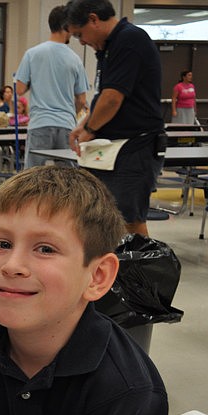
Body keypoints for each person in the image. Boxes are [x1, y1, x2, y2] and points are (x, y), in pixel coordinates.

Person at [0, 166, 168, 415]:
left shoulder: (128, 393)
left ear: (97, 277)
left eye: (45, 249)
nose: (12, 266)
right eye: (3, 244)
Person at [66, 0, 165, 237]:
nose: (81, 42)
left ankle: (139, 262)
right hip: (115, 147)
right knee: (103, 217)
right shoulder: (108, 47)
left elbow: (112, 99)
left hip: (135, 145)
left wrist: (90, 129)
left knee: (128, 220)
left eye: (80, 34)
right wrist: (83, 124)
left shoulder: (130, 39)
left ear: (93, 19)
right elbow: (103, 95)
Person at [15, 5, 90, 168]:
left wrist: (36, 79)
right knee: (69, 175)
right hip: (67, 125)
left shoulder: (32, 54)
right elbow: (82, 100)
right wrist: (71, 113)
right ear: (66, 27)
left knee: (33, 175)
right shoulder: (75, 59)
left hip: (40, 123)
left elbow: (19, 90)